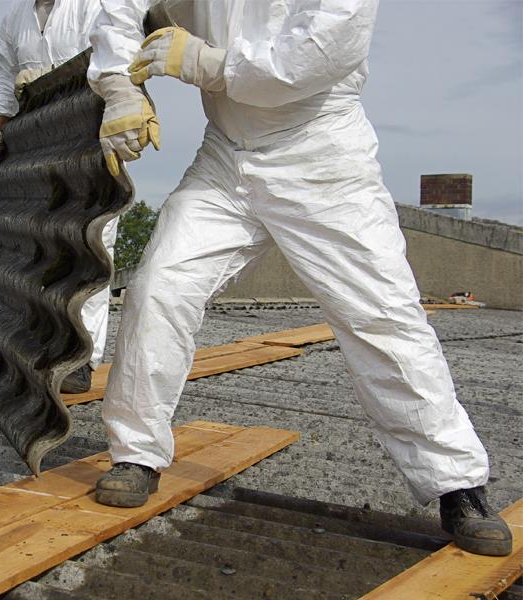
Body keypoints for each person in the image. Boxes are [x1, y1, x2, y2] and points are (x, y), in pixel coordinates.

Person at [86, 0, 512, 556]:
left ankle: (457, 484)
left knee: (381, 315)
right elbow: (120, 7)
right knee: (159, 286)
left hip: (321, 154)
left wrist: (204, 63)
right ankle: (136, 453)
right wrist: (120, 85)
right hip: (225, 156)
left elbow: (311, 58)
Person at [0, 0, 116, 393]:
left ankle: (82, 358)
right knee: (39, 244)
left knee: (91, 244)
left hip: (90, 133)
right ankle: (39, 345)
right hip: (36, 139)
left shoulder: (94, 6)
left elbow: (119, 60)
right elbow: (5, 81)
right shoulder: (16, 20)